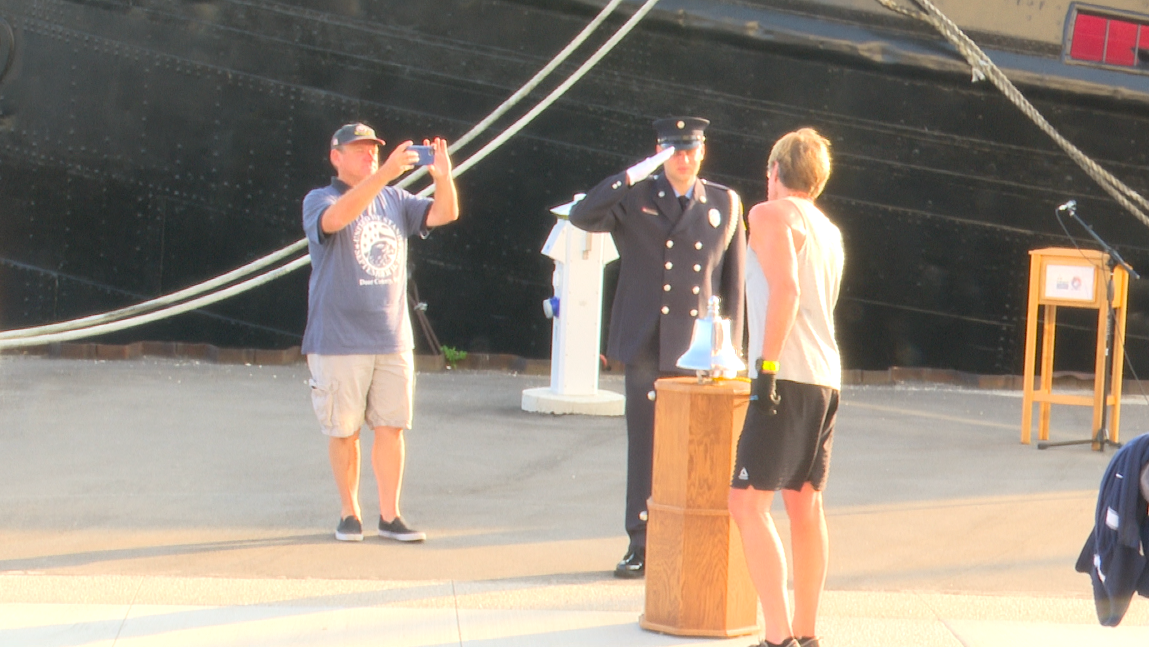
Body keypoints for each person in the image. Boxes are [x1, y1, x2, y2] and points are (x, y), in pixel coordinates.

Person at [569, 117, 745, 578]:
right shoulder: (635, 196)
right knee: (645, 446)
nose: (683, 160)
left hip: (698, 350)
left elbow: (733, 284)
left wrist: (733, 352)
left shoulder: (724, 203)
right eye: (674, 151)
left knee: (699, 449)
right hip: (647, 343)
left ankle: (693, 542)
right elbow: (583, 215)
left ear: (703, 152)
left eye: (690, 151)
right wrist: (633, 173)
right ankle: (641, 541)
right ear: (660, 153)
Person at [301, 122, 459, 543]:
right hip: (338, 339)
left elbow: (444, 214)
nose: (368, 155)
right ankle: (349, 512)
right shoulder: (320, 198)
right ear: (335, 156)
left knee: (391, 427)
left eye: (372, 149)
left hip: (391, 337)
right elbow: (334, 221)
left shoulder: (395, 199)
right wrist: (383, 175)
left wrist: (443, 179)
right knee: (344, 430)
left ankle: (390, 515)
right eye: (357, 150)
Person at [727, 128, 843, 647]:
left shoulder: (768, 215)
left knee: (746, 504)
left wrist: (766, 368)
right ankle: (806, 634)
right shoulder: (829, 230)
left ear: (773, 171)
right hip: (824, 378)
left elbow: (786, 290)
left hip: (787, 375)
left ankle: (776, 639)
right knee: (805, 504)